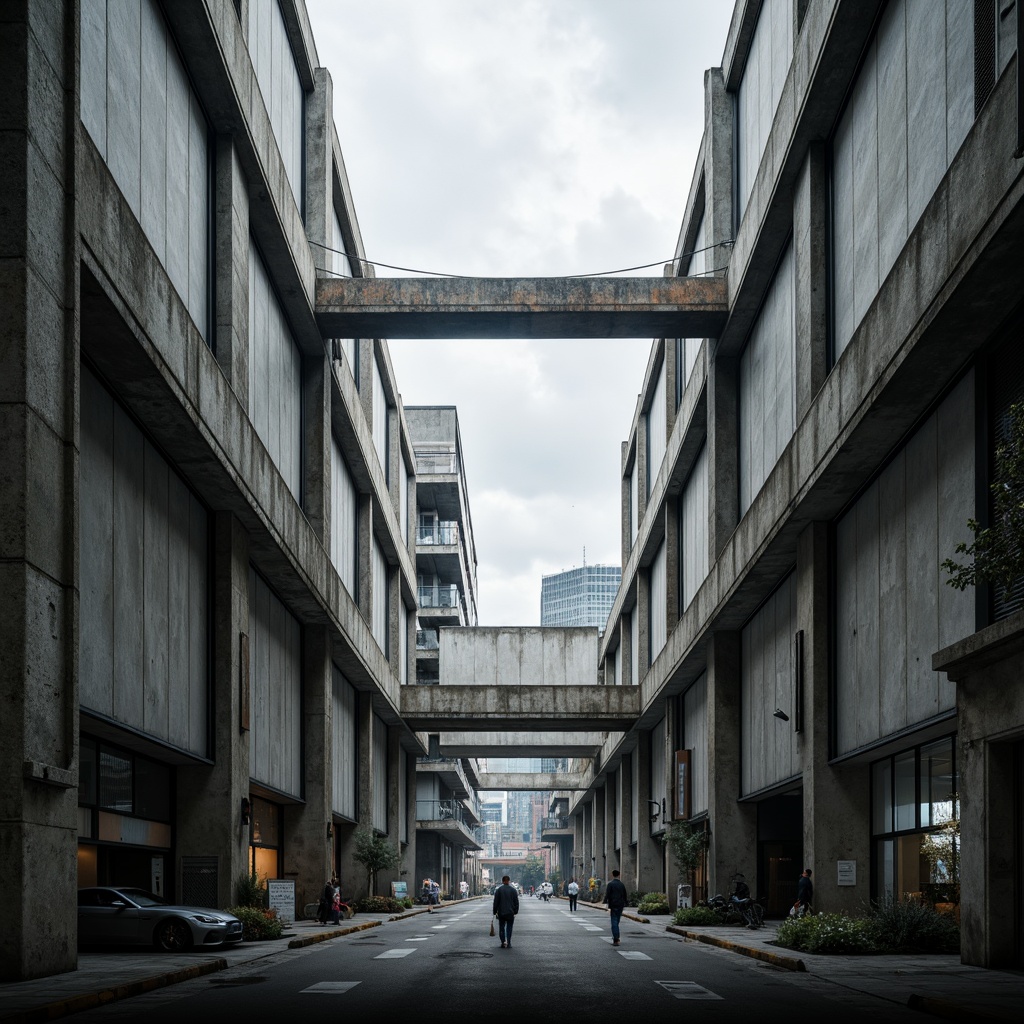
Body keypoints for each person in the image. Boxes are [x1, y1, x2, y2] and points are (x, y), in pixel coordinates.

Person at [492, 874, 520, 948]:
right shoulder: (513, 890)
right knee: (509, 928)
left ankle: (503, 942)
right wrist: (515, 911)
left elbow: (496, 902)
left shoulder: (499, 890)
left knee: (501, 927)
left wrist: (494, 911)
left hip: (501, 912)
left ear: (502, 881)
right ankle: (509, 942)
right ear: (509, 881)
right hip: (510, 913)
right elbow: (516, 902)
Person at [604, 869, 628, 946]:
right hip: (620, 904)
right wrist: (626, 903)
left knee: (614, 921)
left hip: (613, 904)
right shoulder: (621, 884)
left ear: (612, 875)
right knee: (617, 920)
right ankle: (616, 936)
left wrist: (605, 902)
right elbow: (625, 895)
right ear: (619, 875)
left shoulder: (610, 884)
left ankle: (616, 938)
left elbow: (607, 894)